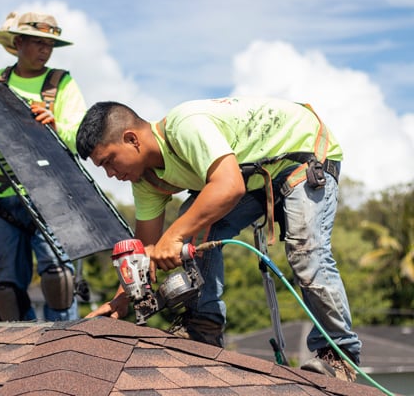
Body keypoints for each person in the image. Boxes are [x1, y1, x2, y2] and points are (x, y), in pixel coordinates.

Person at [77, 96, 361, 382]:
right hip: (256, 175)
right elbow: (145, 251)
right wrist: (121, 300)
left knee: (305, 252)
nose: (110, 174)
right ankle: (204, 327)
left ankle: (339, 354)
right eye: (103, 169)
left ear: (131, 139)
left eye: (109, 161)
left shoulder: (185, 126)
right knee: (195, 217)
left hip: (300, 154)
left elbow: (229, 186)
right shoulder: (147, 180)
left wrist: (174, 236)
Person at [0, 11, 86, 322]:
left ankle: (64, 350)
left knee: (59, 282)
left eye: (50, 45)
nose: (45, 50)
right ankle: (20, 351)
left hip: (51, 197)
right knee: (7, 290)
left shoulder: (61, 84)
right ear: (18, 42)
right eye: (38, 43)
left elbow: (80, 136)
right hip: (4, 200)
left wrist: (56, 124)